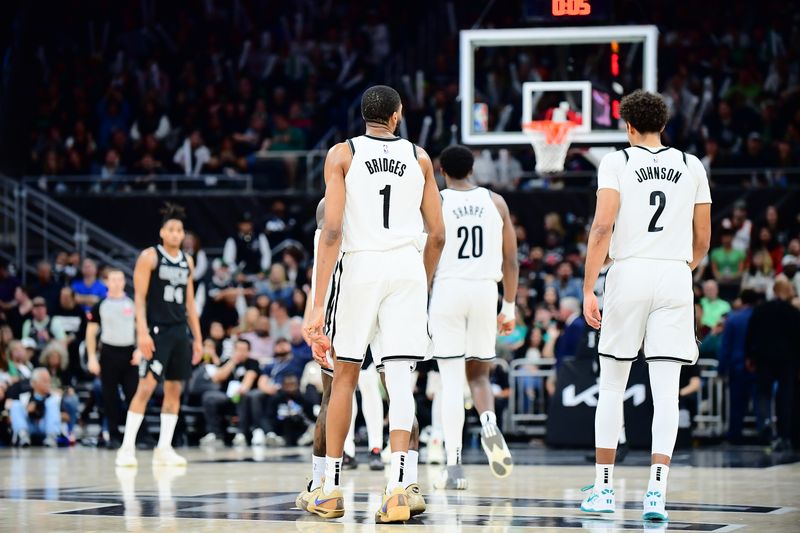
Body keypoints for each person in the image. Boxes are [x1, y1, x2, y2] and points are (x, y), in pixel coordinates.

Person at [304, 85, 445, 523]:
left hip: (360, 265)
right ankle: (400, 487)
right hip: (406, 266)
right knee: (400, 380)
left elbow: (330, 232)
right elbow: (438, 234)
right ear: (398, 116)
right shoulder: (420, 157)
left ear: (362, 115)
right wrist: (419, 280)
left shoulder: (342, 154)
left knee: (344, 376)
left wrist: (315, 305)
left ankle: (328, 488)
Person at [580, 90, 711, 521]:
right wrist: (681, 266)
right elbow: (703, 239)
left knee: (613, 384)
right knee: (666, 392)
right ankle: (656, 494)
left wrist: (587, 288)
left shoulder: (618, 162)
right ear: (664, 124)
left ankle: (604, 490)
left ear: (628, 126)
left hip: (630, 272)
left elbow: (602, 228)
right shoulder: (692, 165)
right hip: (675, 275)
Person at [427, 144, 518, 490]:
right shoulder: (495, 202)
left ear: (442, 171)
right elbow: (511, 260)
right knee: (479, 376)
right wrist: (508, 306)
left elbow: (433, 244)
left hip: (449, 289)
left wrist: (422, 290)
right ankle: (490, 425)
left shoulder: (438, 202)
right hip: (484, 291)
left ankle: (454, 468)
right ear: (473, 168)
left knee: (451, 381)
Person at [115, 203, 203, 468]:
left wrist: (197, 339)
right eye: (172, 229)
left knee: (174, 389)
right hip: (156, 330)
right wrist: (141, 331)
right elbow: (139, 298)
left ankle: (164, 448)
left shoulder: (187, 260)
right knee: (146, 387)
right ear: (163, 232)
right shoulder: (150, 257)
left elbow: (190, 303)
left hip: (179, 333)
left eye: (180, 230)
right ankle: (126, 448)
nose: (177, 234)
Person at [85, 269, 140, 449]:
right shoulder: (100, 305)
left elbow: (141, 328)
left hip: (130, 353)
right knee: (110, 397)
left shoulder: (132, 303)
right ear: (107, 282)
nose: (116, 282)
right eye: (113, 279)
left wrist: (140, 350)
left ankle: (139, 436)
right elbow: (91, 334)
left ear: (124, 282)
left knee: (134, 395)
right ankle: (114, 436)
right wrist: (92, 357)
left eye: (120, 279)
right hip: (108, 353)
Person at [745, 278, 800, 451]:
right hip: (787, 361)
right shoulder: (793, 312)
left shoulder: (761, 309)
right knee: (785, 397)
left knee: (763, 394)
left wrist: (749, 357)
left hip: (763, 359)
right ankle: (784, 434)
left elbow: (750, 335)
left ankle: (765, 426)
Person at [199, 338, 260, 447]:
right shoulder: (228, 361)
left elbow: (250, 378)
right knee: (209, 396)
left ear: (248, 351)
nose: (240, 352)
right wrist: (232, 362)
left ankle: (240, 434)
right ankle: (214, 433)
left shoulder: (252, 363)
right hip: (226, 396)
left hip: (242, 395)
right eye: (238, 349)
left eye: (243, 350)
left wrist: (242, 388)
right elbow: (217, 378)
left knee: (243, 396)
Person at [10, 368, 64, 447]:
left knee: (51, 402)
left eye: (49, 381)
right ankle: (23, 437)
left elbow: (66, 416)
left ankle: (51, 437)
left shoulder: (54, 397)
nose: (48, 384)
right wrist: (27, 410)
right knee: (15, 404)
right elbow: (14, 415)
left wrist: (50, 413)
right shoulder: (24, 396)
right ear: (34, 383)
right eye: (44, 381)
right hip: (29, 426)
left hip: (45, 426)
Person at [222, 212, 271, 278]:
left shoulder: (260, 237)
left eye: (248, 223)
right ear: (239, 224)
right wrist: (236, 273)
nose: (246, 225)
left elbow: (266, 254)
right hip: (240, 275)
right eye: (244, 223)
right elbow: (228, 259)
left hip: (258, 274)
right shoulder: (233, 239)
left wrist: (263, 270)